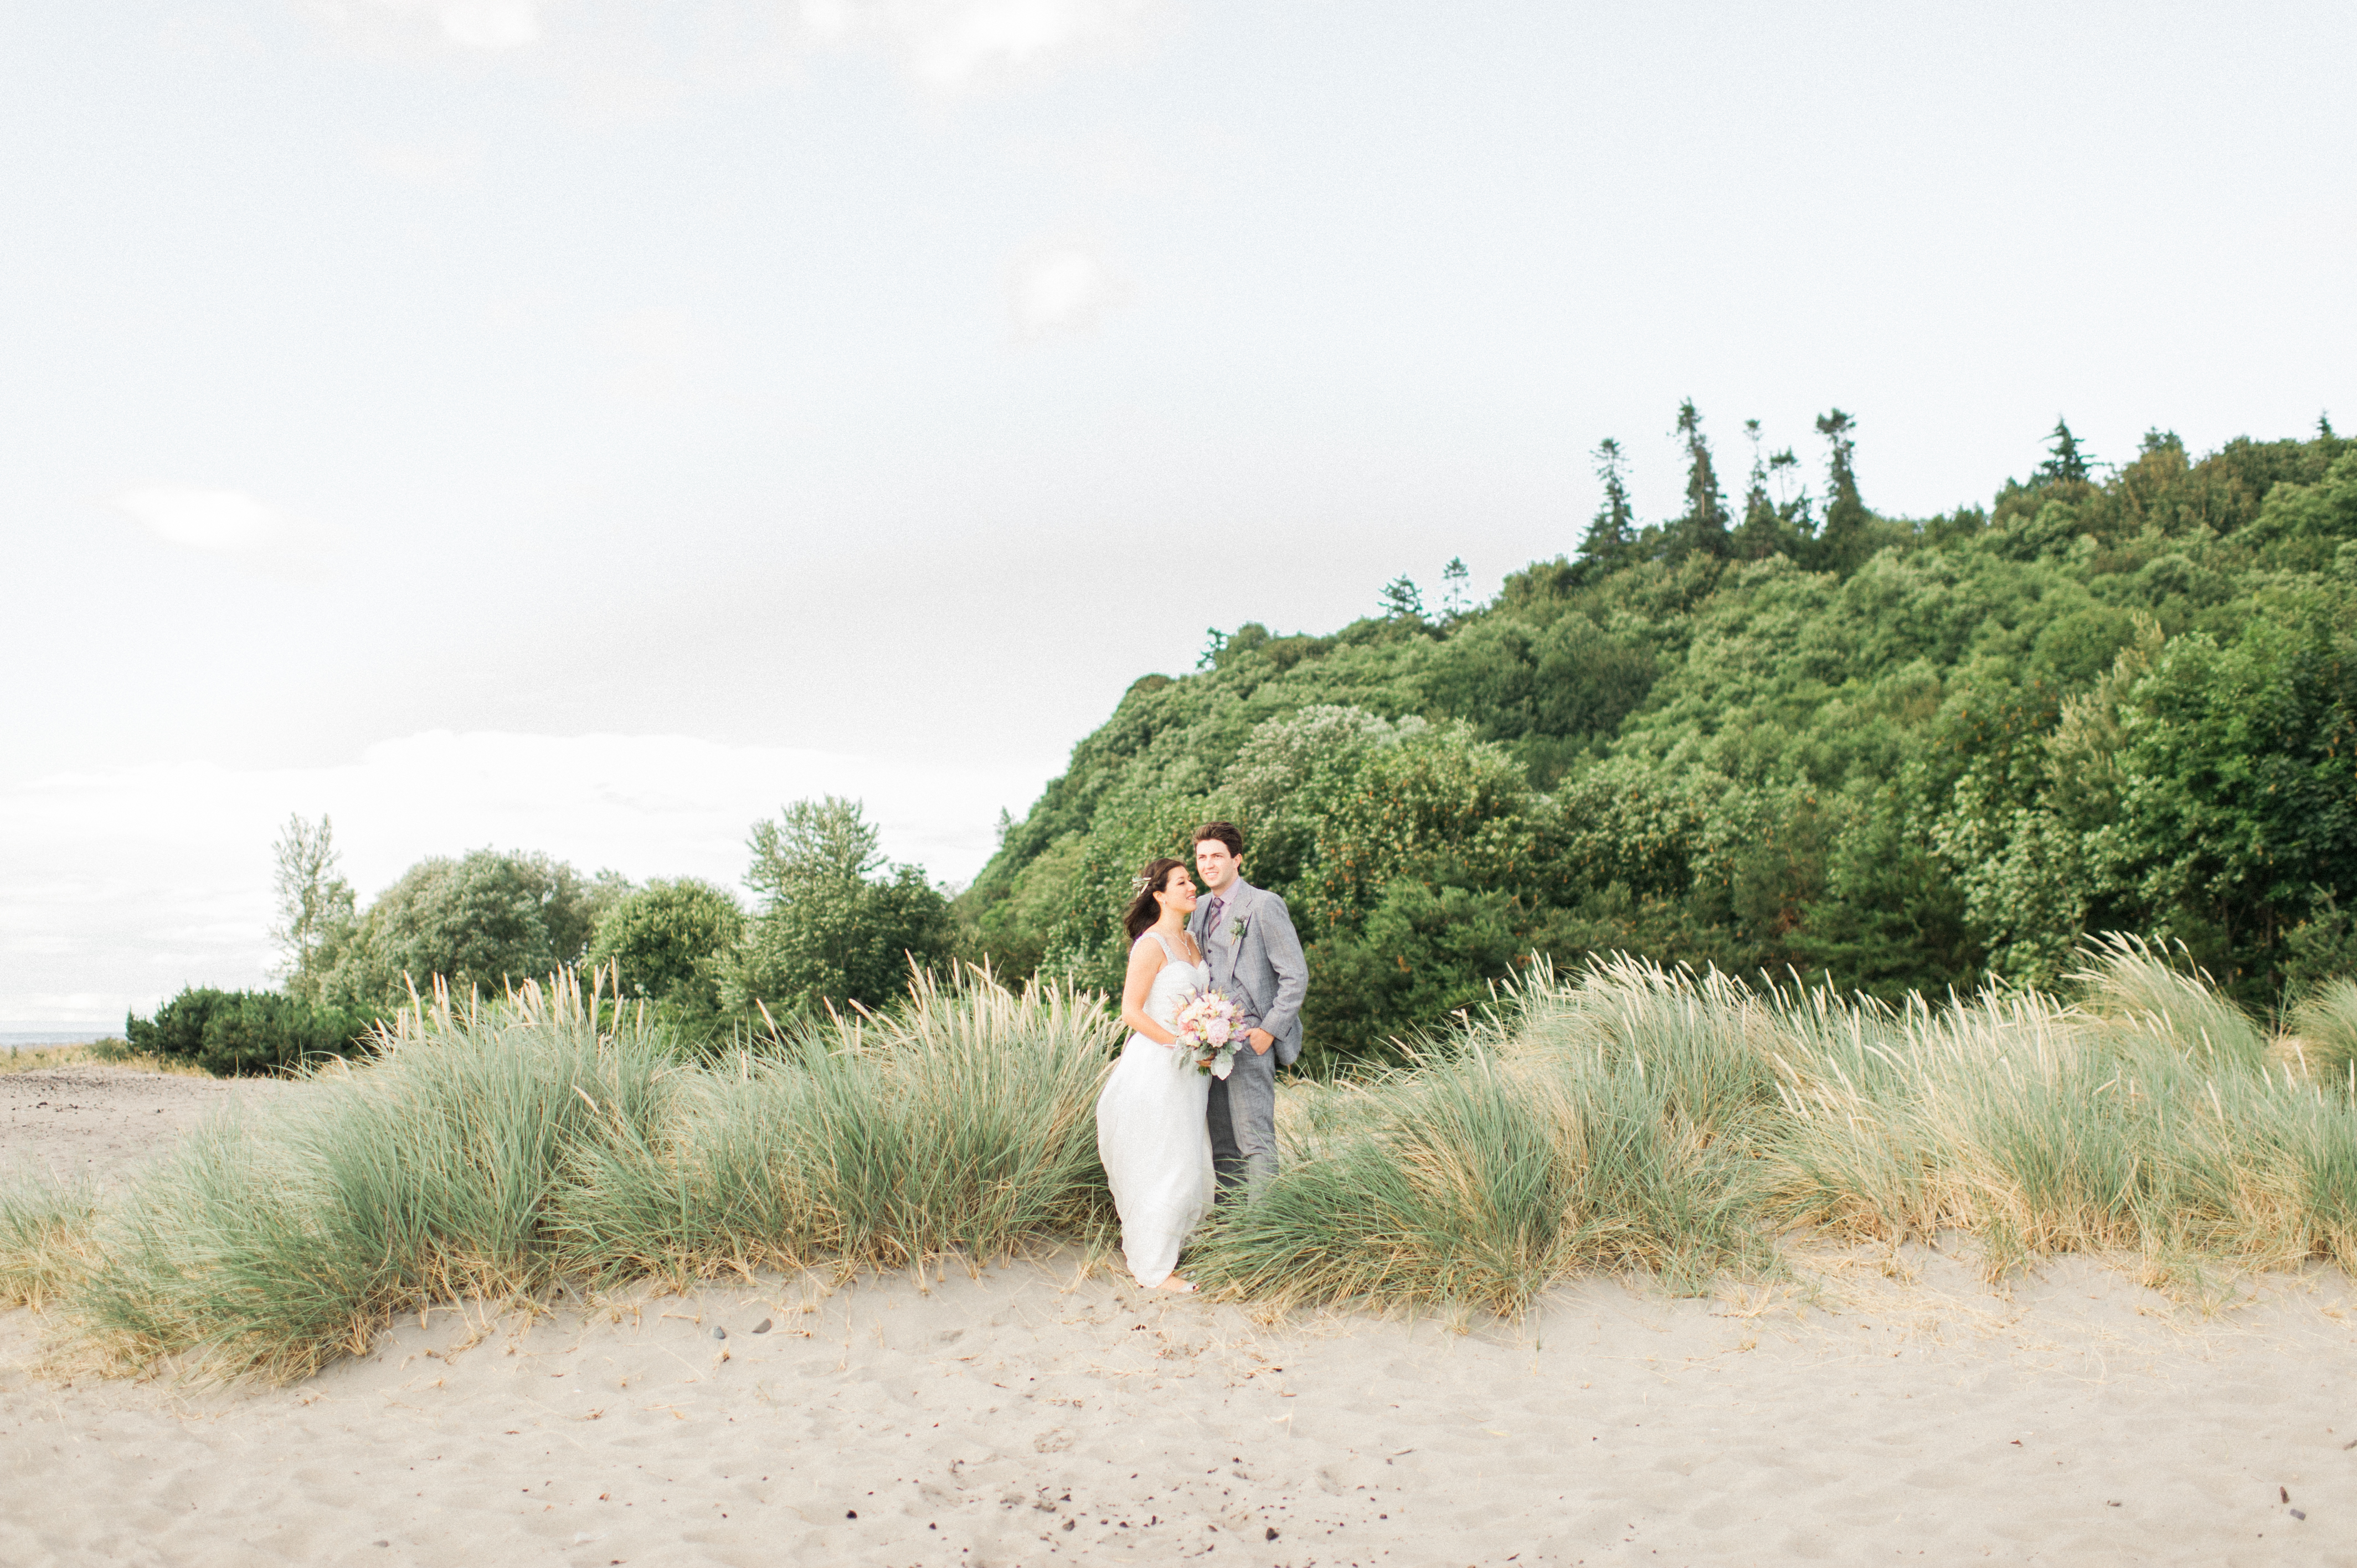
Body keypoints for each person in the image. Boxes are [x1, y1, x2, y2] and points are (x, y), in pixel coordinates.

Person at [1093, 857, 1216, 1292]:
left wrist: (1209, 1036)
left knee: (1187, 1156)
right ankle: (1154, 1268)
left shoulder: (1192, 942)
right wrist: (1181, 1044)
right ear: (1159, 894)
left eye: (1191, 882)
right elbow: (1130, 1012)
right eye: (1182, 882)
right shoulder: (1151, 945)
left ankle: (1178, 1247)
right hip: (1158, 1067)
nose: (1192, 887)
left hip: (1191, 1071)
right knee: (1163, 1161)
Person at [1185, 821, 1308, 1197]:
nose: (1208, 864)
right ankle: (1234, 1234)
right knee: (1222, 1143)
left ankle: (1264, 1235)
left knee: (1255, 1141)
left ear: (1237, 860)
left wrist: (1268, 1030)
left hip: (1252, 1041)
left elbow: (1295, 976)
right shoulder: (1200, 907)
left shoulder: (1264, 904)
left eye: (1217, 856)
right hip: (1210, 1046)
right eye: (1202, 857)